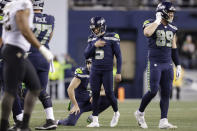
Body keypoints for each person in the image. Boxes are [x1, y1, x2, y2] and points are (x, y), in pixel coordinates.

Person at [0, 0, 53, 131]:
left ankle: (22, 125)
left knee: (34, 87)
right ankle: (8, 125)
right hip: (15, 50)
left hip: (14, 50)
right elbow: (23, 28)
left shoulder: (9, 5)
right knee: (12, 90)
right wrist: (41, 48)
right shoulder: (22, 4)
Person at [134, 2, 181, 129]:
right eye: (170, 12)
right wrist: (157, 21)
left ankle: (163, 121)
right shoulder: (151, 22)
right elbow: (147, 33)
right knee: (153, 90)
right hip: (155, 62)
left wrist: (178, 65)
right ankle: (140, 112)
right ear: (163, 12)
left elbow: (174, 48)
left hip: (167, 64)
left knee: (166, 93)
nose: (172, 15)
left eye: (172, 12)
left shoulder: (173, 28)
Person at [84, 16, 122, 127]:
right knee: (95, 94)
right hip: (95, 70)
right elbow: (86, 55)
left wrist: (119, 72)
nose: (95, 30)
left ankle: (116, 113)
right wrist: (94, 46)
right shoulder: (92, 39)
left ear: (102, 26)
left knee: (110, 94)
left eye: (97, 28)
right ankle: (95, 121)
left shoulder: (112, 37)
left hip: (107, 70)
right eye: (93, 28)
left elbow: (118, 56)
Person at [57, 58, 111, 126]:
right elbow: (70, 89)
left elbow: (106, 91)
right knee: (70, 123)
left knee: (110, 99)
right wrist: (75, 105)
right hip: (79, 102)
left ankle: (93, 116)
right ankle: (58, 122)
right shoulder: (82, 73)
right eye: (88, 63)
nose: (90, 65)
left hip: (90, 102)